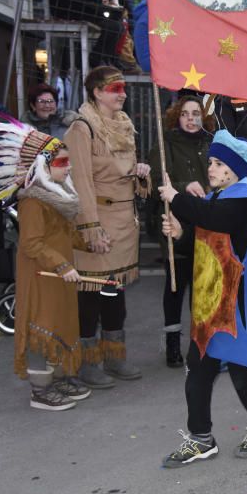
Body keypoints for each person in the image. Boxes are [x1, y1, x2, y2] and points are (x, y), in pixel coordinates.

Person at [158, 130, 247, 468]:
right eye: (211, 162)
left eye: (219, 164)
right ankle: (200, 437)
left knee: (243, 369)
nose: (211, 168)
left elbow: (216, 220)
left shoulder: (245, 198)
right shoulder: (218, 197)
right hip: (210, 301)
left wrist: (176, 197)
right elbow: (207, 234)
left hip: (235, 301)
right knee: (199, 367)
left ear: (235, 169)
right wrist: (181, 233)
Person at [0, 117, 92, 409]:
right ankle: (40, 390)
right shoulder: (33, 200)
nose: (68, 167)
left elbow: (63, 234)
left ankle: (59, 377)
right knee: (42, 326)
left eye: (67, 162)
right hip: (41, 275)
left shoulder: (57, 196)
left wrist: (90, 244)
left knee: (60, 324)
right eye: (61, 163)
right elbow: (32, 243)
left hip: (58, 274)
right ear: (43, 167)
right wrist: (62, 265)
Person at [66, 67, 151, 388]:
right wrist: (91, 229)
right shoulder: (82, 127)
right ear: (97, 92)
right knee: (90, 294)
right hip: (97, 222)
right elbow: (81, 183)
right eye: (115, 88)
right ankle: (88, 363)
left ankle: (115, 357)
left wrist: (141, 173)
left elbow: (128, 175)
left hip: (124, 223)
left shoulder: (124, 125)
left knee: (114, 292)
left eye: (124, 88)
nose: (123, 93)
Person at [149, 95, 213, 367]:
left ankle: (200, 344)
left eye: (196, 113)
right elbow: (155, 181)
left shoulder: (211, 143)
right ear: (178, 116)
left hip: (205, 222)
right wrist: (184, 185)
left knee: (203, 286)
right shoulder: (166, 145)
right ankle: (172, 344)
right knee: (176, 285)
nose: (191, 119)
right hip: (175, 222)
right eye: (186, 113)